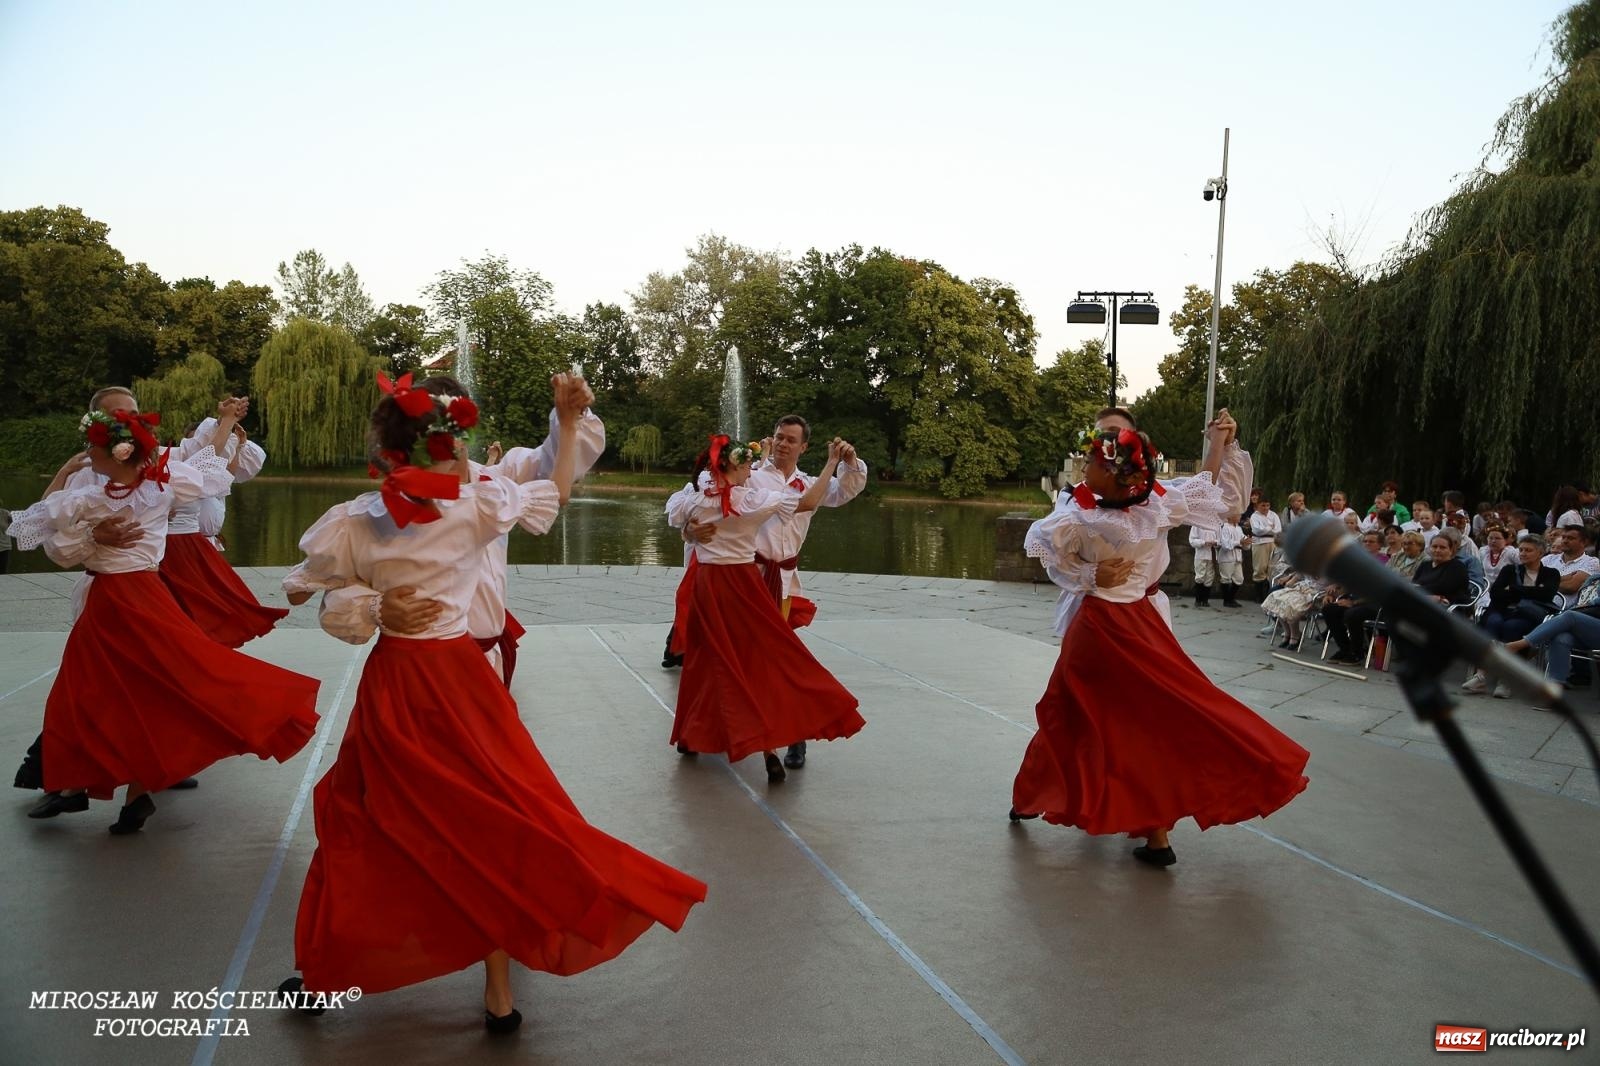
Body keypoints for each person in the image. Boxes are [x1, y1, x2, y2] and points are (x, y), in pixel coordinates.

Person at [278, 372, 705, 1034]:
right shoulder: (381, 518)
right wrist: (373, 603)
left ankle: (468, 987)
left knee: (444, 821)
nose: (454, 452)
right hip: (416, 684)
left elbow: (551, 493)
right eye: (447, 439)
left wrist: (565, 424)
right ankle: (444, 987)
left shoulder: (467, 502)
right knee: (440, 821)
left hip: (438, 684)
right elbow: (312, 591)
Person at [1011, 411, 1309, 866]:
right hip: (1130, 623)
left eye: (1091, 459)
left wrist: (1091, 574)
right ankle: (1152, 834)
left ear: (1113, 470)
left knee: (1078, 715)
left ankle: (1041, 796)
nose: (1084, 465)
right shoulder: (1133, 505)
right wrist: (1217, 444)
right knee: (1139, 719)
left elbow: (1054, 557)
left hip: (1112, 625)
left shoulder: (1115, 510)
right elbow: (1207, 486)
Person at [8, 399, 321, 832]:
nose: (87, 455)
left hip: (116, 602)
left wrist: (85, 530)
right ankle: (129, 793)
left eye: (92, 449)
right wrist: (227, 422)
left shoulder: (91, 496)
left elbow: (33, 529)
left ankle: (96, 786)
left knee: (87, 693)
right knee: (155, 688)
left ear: (112, 454)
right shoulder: (160, 487)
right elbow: (211, 472)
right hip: (144, 596)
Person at [311, 377, 606, 686]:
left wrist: (573, 414)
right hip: (415, 668)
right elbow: (319, 586)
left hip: (482, 657)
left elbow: (556, 469)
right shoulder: (381, 510)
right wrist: (376, 608)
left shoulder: (494, 486)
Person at [664, 434, 865, 781]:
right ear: (730, 465)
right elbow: (806, 503)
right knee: (762, 659)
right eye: (745, 466)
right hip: (744, 586)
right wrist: (830, 462)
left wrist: (688, 532)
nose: (750, 470)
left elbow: (674, 513)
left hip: (709, 585)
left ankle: (693, 734)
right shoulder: (754, 500)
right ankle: (770, 744)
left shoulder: (696, 498)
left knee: (706, 660)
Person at [1463, 534, 1560, 696]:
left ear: (1540, 553)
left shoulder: (1551, 573)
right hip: (1502, 610)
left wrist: (1514, 589)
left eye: (1528, 550)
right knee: (1493, 622)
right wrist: (1530, 592)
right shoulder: (1509, 570)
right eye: (1521, 549)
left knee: (1512, 627)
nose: (1523, 553)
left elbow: (1546, 595)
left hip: (1528, 615)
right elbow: (1496, 594)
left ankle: (1505, 679)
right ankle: (1482, 675)